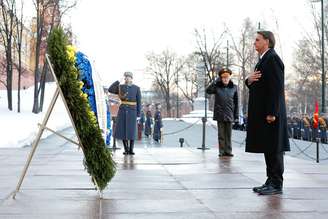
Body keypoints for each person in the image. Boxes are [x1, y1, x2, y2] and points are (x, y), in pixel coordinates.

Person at [246, 31, 290, 195]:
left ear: (267, 41)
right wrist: (248, 80)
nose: (254, 42)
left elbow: (276, 88)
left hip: (272, 114)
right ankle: (270, 179)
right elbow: (258, 83)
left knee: (274, 148)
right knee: (268, 147)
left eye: (257, 40)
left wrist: (272, 112)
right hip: (265, 114)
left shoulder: (272, 59)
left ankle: (276, 183)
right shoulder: (264, 59)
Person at [206, 68, 239, 157]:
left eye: (227, 77)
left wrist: (236, 116)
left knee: (228, 134)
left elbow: (236, 102)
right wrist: (215, 81)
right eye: (223, 77)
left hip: (230, 114)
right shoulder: (217, 87)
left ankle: (228, 151)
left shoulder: (234, 87)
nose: (225, 79)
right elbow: (208, 90)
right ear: (221, 78)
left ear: (229, 78)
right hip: (220, 114)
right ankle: (221, 151)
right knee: (221, 135)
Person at [108, 71, 141, 155]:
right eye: (125, 77)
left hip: (132, 111)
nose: (127, 78)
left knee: (132, 131)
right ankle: (126, 149)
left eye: (128, 77)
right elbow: (110, 89)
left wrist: (138, 114)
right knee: (123, 131)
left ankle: (131, 149)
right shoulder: (120, 87)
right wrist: (118, 81)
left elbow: (139, 102)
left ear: (131, 78)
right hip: (122, 111)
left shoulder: (136, 88)